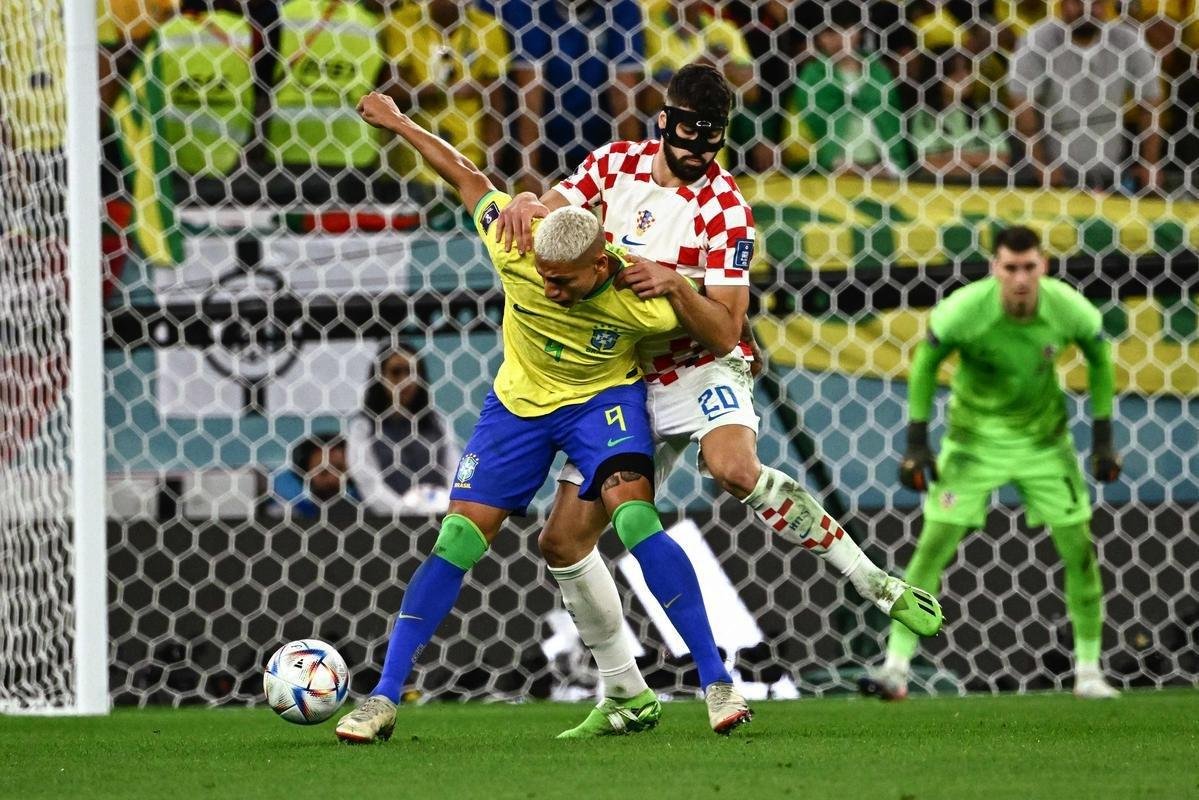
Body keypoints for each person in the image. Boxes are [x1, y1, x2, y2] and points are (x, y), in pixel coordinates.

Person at [495, 63, 944, 735]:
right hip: (623, 378)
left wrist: (677, 285)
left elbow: (726, 329)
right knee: (561, 541)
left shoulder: (726, 209)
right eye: (687, 136)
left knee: (734, 468)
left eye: (711, 140)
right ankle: (624, 692)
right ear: (664, 123)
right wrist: (529, 199)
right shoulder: (613, 166)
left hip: (699, 367)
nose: (698, 152)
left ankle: (872, 581)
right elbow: (554, 213)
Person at [336, 90, 737, 743]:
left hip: (602, 404)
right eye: (542, 276)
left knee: (635, 518)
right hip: (517, 406)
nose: (548, 288)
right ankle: (382, 696)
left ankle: (716, 681)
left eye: (563, 282)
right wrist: (400, 122)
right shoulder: (515, 244)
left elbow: (718, 332)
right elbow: (465, 175)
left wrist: (692, 298)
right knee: (457, 539)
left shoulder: (639, 300)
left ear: (601, 263)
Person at [859, 226, 1123, 702]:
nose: (1020, 278)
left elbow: (1100, 358)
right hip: (972, 443)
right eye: (1011, 268)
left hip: (1044, 445)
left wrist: (1103, 439)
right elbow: (925, 363)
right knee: (930, 550)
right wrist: (916, 441)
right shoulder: (964, 310)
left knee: (1080, 552)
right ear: (995, 268)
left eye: (1029, 267)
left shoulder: (1070, 309)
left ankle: (1088, 672)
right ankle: (895, 667)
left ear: (1043, 266)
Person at [479, 0, 645, 194]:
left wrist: (629, 173)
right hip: (540, 147)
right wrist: (530, 171)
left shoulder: (622, 8)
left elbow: (623, 97)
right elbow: (529, 93)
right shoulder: (528, 8)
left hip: (601, 147)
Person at [1009, 0, 1166, 192]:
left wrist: (1150, 163)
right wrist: (1041, 165)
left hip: (1111, 170)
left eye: (1096, 3)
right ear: (1062, 4)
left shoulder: (1127, 41)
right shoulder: (1037, 40)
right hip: (1052, 171)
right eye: (1078, 2)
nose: (1087, 9)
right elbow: (1022, 106)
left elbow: (1152, 103)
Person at [380, 0, 509, 193]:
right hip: (414, 164)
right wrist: (439, 90)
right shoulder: (401, 22)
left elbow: (496, 103)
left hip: (470, 161)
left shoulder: (488, 28)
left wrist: (493, 165)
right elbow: (390, 91)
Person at [786, 1, 911, 176]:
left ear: (859, 30)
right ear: (817, 36)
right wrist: (835, 163)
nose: (840, 38)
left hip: (882, 167)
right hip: (835, 168)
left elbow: (892, 118)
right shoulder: (813, 75)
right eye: (830, 32)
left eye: (846, 29)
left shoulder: (878, 71)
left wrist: (889, 166)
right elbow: (809, 124)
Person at [347, 343, 457, 515]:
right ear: (379, 376)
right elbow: (368, 482)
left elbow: (454, 470)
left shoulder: (437, 423)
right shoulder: (363, 427)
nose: (406, 380)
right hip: (386, 523)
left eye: (412, 372)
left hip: (440, 518)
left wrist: (444, 506)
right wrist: (406, 512)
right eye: (396, 372)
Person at [909, 47, 1011, 180]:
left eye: (966, 70)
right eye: (956, 73)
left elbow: (1001, 159)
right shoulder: (924, 117)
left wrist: (955, 156)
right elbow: (929, 163)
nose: (965, 77)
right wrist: (978, 161)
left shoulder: (983, 112)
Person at [271, 433, 361, 518]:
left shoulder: (363, 505)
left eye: (340, 468)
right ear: (304, 473)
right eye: (323, 472)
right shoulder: (287, 512)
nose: (333, 478)